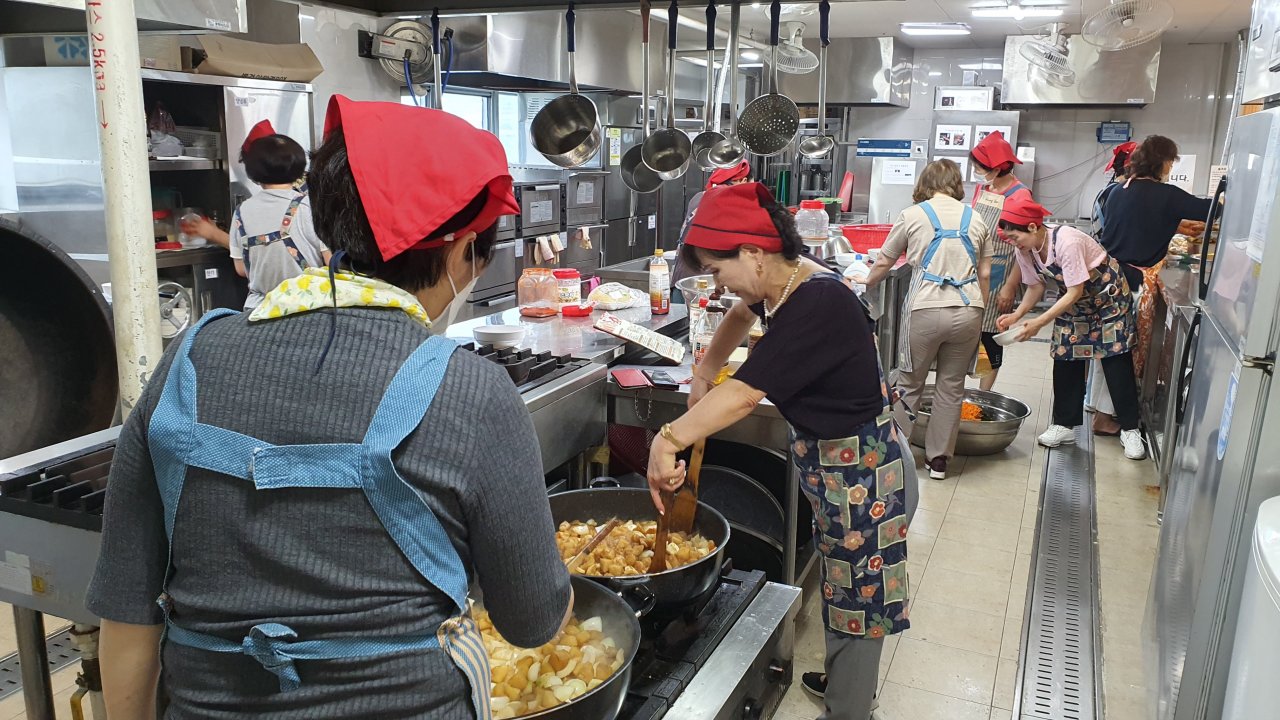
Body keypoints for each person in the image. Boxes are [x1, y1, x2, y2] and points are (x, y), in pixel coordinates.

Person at [87, 97, 573, 719]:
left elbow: (127, 607)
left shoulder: (188, 361)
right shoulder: (470, 390)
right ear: (461, 251)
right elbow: (532, 621)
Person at [646, 182, 913, 720]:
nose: (717, 284)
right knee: (842, 586)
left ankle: (849, 709)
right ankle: (846, 684)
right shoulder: (790, 281)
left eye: (717, 270)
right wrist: (703, 371)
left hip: (866, 478)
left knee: (859, 603)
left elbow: (745, 396)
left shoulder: (816, 303)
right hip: (840, 469)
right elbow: (741, 315)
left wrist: (666, 438)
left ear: (752, 253)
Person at [859, 159, 992, 480]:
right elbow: (986, 273)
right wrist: (978, 311)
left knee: (910, 383)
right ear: (956, 184)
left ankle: (898, 457)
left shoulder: (912, 215)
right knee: (951, 386)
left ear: (925, 183)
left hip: (925, 309)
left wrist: (863, 284)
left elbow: (883, 262)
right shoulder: (976, 218)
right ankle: (939, 461)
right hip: (969, 309)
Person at [995, 195, 1147, 460]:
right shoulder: (1025, 250)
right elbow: (1035, 286)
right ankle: (1064, 425)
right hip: (1074, 304)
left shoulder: (1067, 241)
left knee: (1115, 360)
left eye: (1015, 236)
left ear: (1032, 227)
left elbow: (1075, 290)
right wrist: (1016, 315)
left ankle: (1130, 429)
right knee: (1065, 356)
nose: (1013, 242)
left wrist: (1039, 322)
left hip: (1108, 301)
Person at [1089, 135, 1217, 435]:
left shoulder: (1120, 190)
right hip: (1132, 283)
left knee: (1105, 346)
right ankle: (1105, 417)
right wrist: (1234, 191)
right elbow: (1209, 210)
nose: (1171, 167)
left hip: (1107, 278)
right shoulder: (1165, 194)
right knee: (1122, 350)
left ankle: (1095, 406)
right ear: (1163, 162)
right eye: (1171, 162)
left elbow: (1141, 221)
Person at [969, 130, 1032, 393]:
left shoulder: (1020, 195)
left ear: (996, 168)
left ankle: (983, 395)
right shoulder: (983, 189)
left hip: (1001, 276)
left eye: (979, 168)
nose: (976, 172)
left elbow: (1023, 249)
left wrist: (1010, 286)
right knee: (968, 332)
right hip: (974, 272)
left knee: (989, 337)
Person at [671, 160, 752, 289]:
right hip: (705, 284)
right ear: (743, 181)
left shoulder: (699, 197)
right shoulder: (731, 200)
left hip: (680, 279)